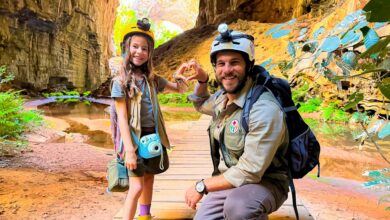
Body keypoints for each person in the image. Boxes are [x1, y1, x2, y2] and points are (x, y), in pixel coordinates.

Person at [183, 24, 290, 219]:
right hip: (230, 180)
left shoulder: (264, 109)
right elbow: (199, 103)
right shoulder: (223, 97)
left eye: (235, 62)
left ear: (249, 65)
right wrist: (202, 80)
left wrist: (202, 185)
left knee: (239, 208)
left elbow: (250, 172)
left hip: (266, 182)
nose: (227, 70)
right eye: (221, 64)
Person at [111, 18, 187, 220]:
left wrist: (178, 75)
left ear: (150, 53)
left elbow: (180, 89)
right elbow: (122, 117)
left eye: (145, 48)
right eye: (135, 46)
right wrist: (129, 151)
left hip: (152, 137)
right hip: (133, 140)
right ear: (126, 48)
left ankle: (145, 216)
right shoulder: (120, 82)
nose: (139, 52)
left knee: (149, 179)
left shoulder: (153, 79)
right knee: (136, 186)